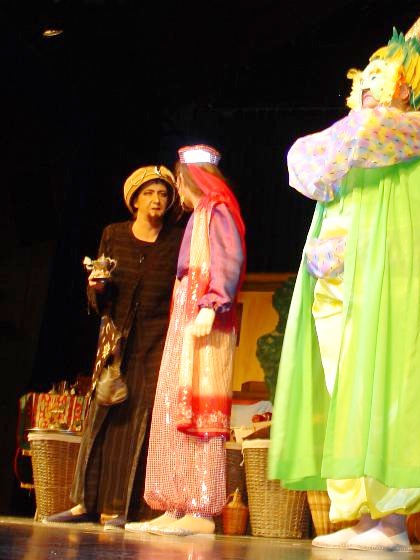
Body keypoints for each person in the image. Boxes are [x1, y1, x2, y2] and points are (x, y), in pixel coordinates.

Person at [268, 12, 420, 551]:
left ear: (406, 86)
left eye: (381, 74)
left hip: (389, 280)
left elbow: (361, 142)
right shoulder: (352, 132)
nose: (368, 82)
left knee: (388, 386)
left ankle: (392, 521)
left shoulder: (419, 129)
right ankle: (361, 512)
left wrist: (355, 124)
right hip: (337, 277)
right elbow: (304, 163)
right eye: (366, 73)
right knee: (344, 389)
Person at [45, 165, 184, 529]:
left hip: (154, 341)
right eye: (149, 193)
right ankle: (83, 503)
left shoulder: (176, 241)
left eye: (163, 194)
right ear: (135, 200)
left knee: (136, 421)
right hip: (115, 339)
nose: (156, 200)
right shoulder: (114, 234)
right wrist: (97, 286)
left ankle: (119, 507)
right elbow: (98, 293)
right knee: (100, 415)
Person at [126, 144, 246, 536]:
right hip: (186, 313)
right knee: (173, 407)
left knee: (201, 407)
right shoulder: (201, 213)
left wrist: (212, 306)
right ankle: (174, 504)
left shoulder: (218, 210)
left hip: (205, 316)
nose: (177, 190)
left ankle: (201, 509)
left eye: (178, 181)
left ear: (190, 178)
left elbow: (228, 259)